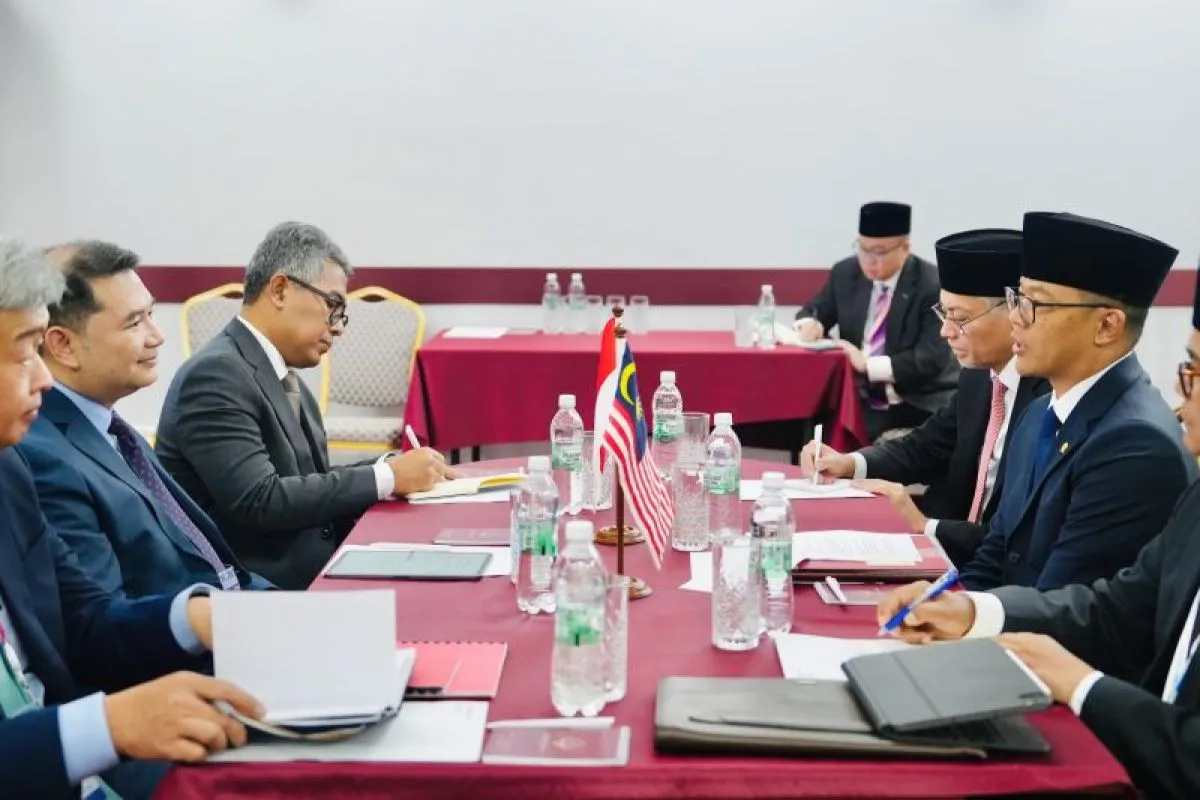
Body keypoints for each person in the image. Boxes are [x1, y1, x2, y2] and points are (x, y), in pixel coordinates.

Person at [876, 269, 1200, 796]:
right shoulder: (1043, 414)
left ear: (1106, 325)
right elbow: (1114, 608)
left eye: (1035, 305)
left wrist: (1082, 686)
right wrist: (970, 611)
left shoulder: (1138, 442)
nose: (1016, 320)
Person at [0, 238, 260, 799]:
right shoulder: (35, 456)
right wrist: (111, 725)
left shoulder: (7, 471)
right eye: (23, 354)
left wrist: (197, 616)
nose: (43, 378)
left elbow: (85, 620)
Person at [155, 222, 453, 589]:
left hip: (311, 572)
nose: (338, 328)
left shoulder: (284, 378)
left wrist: (390, 466)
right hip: (258, 590)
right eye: (332, 305)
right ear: (280, 289)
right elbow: (259, 500)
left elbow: (309, 484)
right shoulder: (216, 374)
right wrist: (387, 478)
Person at [18, 241, 271, 598]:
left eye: (151, 314)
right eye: (135, 322)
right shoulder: (44, 456)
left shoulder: (112, 428)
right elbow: (103, 615)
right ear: (63, 345)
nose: (157, 336)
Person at [799, 229, 1049, 567]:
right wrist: (849, 463)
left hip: (995, 568)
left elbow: (1022, 539)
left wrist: (924, 525)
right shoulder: (979, 376)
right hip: (951, 548)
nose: (946, 331)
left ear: (1015, 315)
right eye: (944, 315)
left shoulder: (1046, 396)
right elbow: (926, 445)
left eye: (960, 319)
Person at [794, 201, 959, 442]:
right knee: (810, 423)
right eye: (863, 249)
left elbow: (929, 359)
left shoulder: (931, 284)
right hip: (859, 396)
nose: (869, 260)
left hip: (915, 400)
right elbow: (812, 311)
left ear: (905, 248)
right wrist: (813, 324)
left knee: (858, 440)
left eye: (879, 252)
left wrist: (868, 365)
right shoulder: (845, 273)